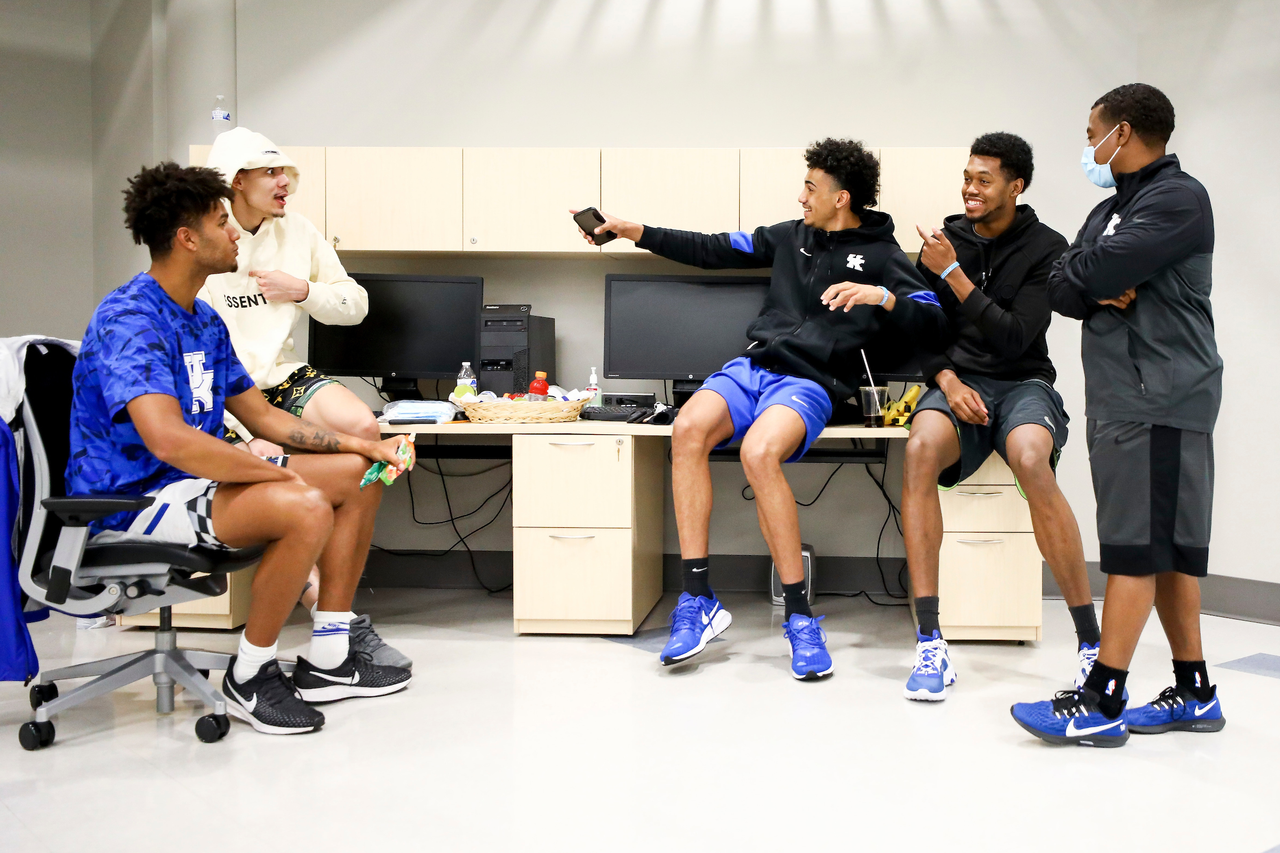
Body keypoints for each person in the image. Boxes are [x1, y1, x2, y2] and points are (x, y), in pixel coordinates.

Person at [576, 138, 947, 680]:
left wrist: (882, 298)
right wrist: (633, 230)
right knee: (687, 429)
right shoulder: (787, 238)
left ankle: (800, 617)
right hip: (753, 368)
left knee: (759, 452)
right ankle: (698, 598)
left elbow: (931, 317)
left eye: (811, 188)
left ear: (841, 198)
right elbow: (710, 248)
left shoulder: (885, 256)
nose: (801, 197)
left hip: (813, 380)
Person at [68, 162, 415, 735]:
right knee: (303, 504)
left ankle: (329, 655)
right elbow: (168, 438)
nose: (236, 234)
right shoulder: (131, 317)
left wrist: (363, 446)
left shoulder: (202, 318)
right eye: (222, 223)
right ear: (187, 238)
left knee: (356, 475)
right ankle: (249, 674)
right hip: (131, 502)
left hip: (192, 489)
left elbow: (261, 416)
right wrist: (275, 476)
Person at [1012, 84, 1224, 747]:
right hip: (1128, 394)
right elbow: (1064, 282)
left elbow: (1097, 268)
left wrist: (1091, 272)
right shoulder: (1113, 208)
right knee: (1164, 551)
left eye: (1092, 132)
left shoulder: (1177, 199)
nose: (1089, 147)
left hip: (1158, 394)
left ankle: (1102, 698)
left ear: (1123, 133)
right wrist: (1088, 275)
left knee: (1136, 548)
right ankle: (1194, 692)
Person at [199, 128, 409, 669]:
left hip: (280, 377)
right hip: (220, 390)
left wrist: (304, 291)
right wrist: (244, 440)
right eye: (271, 173)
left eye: (286, 173)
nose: (284, 182)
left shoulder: (298, 230)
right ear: (236, 181)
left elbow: (355, 304)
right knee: (283, 477)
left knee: (364, 432)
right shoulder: (204, 235)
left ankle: (332, 594)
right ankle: (327, 611)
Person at [901, 132, 1098, 701]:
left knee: (1033, 460)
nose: (970, 189)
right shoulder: (945, 239)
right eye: (967, 177)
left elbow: (1015, 339)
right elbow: (925, 333)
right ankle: (930, 643)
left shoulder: (1047, 248)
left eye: (984, 180)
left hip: (1022, 382)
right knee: (917, 451)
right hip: (957, 383)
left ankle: (1090, 645)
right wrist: (946, 379)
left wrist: (954, 274)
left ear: (1016, 186)